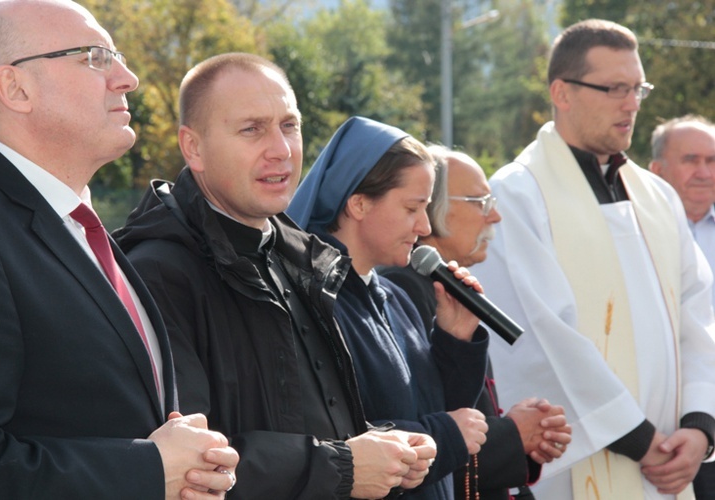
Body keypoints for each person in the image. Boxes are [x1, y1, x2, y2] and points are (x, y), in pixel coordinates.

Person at [114, 53, 436, 499]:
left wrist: (382, 449)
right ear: (194, 148)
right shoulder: (158, 272)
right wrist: (344, 467)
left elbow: (304, 418)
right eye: (252, 129)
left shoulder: (302, 258)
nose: (281, 150)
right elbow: (192, 465)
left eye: (289, 125)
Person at [0, 1, 238, 498]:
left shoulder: (83, 230)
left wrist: (192, 464)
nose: (127, 78)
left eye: (118, 56)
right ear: (15, 89)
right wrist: (149, 470)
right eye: (95, 57)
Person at [469, 19, 715, 499]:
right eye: (614, 89)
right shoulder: (518, 194)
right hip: (583, 469)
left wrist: (700, 426)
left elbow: (699, 317)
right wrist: (639, 439)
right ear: (562, 92)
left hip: (671, 463)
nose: (631, 104)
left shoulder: (658, 196)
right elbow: (539, 336)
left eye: (637, 88)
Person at [286, 115, 493, 500]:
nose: (425, 227)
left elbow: (441, 405)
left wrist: (456, 339)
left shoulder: (393, 298)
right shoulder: (315, 306)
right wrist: (444, 437)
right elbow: (337, 441)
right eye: (412, 208)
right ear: (359, 204)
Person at [380, 144, 572, 500]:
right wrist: (515, 433)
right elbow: (424, 428)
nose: (494, 216)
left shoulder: (442, 285)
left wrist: (522, 435)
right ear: (431, 207)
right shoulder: (404, 288)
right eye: (481, 202)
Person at [650, 115, 715, 499]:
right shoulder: (631, 231)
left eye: (712, 160)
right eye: (691, 159)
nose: (704, 171)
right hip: (670, 422)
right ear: (656, 169)